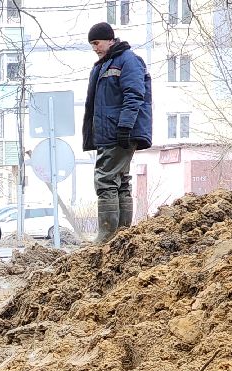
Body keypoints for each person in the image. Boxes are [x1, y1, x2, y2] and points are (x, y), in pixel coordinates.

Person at [83, 22, 152, 244]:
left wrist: (124, 127)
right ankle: (121, 235)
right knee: (120, 180)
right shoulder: (106, 64)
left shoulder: (127, 60)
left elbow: (134, 94)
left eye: (97, 42)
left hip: (118, 132)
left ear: (110, 39)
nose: (94, 48)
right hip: (111, 132)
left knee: (105, 178)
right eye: (92, 44)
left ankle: (107, 235)